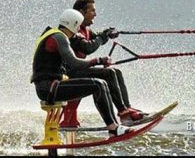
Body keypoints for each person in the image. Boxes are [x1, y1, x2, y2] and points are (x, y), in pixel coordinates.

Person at [31, 9, 131, 137]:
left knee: (101, 83)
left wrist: (104, 36)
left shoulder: (52, 34)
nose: (78, 30)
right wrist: (98, 60)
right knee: (98, 85)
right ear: (73, 24)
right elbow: (74, 63)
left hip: (50, 86)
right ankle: (113, 128)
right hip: (49, 89)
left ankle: (114, 126)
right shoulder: (59, 37)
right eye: (78, 27)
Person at [67, 0, 147, 125]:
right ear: (81, 12)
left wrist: (108, 34)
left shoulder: (85, 29)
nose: (95, 14)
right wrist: (102, 37)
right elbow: (88, 47)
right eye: (92, 11)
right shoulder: (72, 29)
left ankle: (126, 108)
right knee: (108, 74)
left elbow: (98, 38)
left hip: (78, 70)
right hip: (69, 73)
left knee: (116, 71)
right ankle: (122, 112)